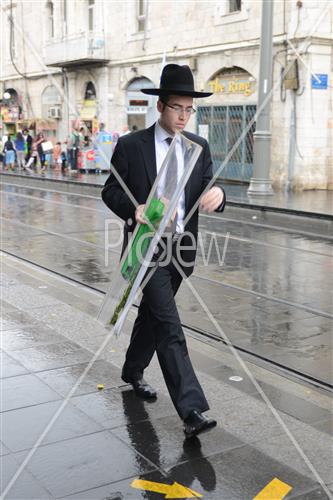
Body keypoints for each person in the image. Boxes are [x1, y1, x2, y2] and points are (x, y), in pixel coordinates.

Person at [102, 64, 226, 439]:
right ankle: (191, 410)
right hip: (147, 248)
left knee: (154, 318)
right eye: (177, 108)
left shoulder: (199, 148)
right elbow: (110, 190)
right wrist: (133, 208)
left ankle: (131, 371)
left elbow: (210, 188)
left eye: (189, 109)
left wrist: (219, 198)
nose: (183, 116)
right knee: (170, 325)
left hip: (180, 251)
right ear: (160, 107)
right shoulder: (130, 146)